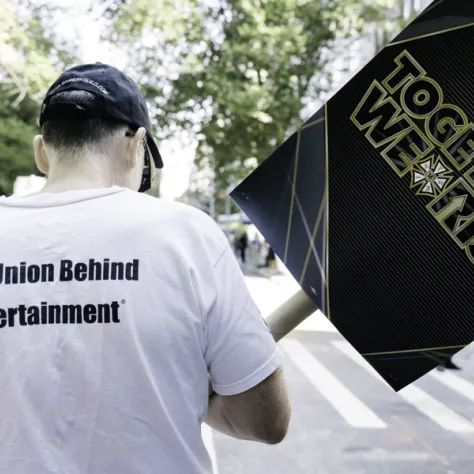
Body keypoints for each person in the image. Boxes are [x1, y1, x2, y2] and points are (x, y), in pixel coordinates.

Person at [0, 63, 291, 474]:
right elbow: (266, 420)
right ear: (135, 145)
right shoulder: (188, 235)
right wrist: (194, 383)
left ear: (41, 151)